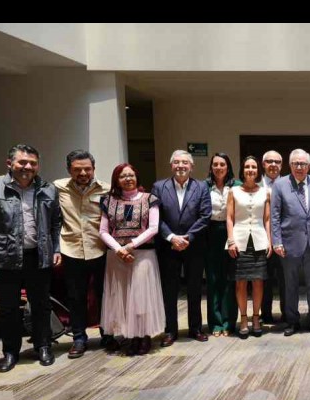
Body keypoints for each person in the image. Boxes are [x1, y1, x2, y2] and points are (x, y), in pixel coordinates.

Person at [0, 144, 62, 372]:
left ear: (38, 166)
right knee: (8, 309)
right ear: (9, 163)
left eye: (33, 163)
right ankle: (10, 352)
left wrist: (56, 249)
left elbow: (56, 222)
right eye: (22, 162)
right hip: (5, 258)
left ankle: (43, 346)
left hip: (38, 256)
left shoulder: (48, 189)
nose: (27, 167)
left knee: (41, 305)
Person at [99, 163, 164, 356]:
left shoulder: (150, 199)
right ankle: (131, 336)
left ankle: (144, 335)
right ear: (116, 180)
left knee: (141, 297)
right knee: (123, 298)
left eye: (131, 175)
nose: (128, 179)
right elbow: (103, 231)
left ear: (137, 177)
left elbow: (153, 228)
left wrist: (131, 245)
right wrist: (119, 249)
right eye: (123, 176)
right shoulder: (108, 201)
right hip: (117, 256)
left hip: (142, 254)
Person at [54, 149, 113, 357]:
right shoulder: (58, 188)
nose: (83, 173)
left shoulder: (106, 189)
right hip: (71, 250)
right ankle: (79, 338)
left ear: (93, 169)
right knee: (75, 297)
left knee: (104, 295)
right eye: (77, 169)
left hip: (100, 250)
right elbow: (53, 220)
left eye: (87, 169)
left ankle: (108, 334)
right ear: (69, 170)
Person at [152, 150, 212, 346]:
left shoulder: (201, 187)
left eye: (185, 162)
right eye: (176, 162)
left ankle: (195, 328)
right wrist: (171, 237)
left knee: (195, 289)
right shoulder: (159, 187)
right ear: (171, 166)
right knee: (169, 291)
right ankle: (170, 331)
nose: (181, 166)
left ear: (191, 166)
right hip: (168, 247)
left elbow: (205, 216)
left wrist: (187, 237)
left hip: (193, 246)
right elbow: (155, 217)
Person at [270, 149, 310, 335]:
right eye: (295, 164)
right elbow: (275, 216)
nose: (299, 167)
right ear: (290, 165)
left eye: (303, 164)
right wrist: (277, 241)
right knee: (290, 285)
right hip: (289, 243)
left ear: (309, 166)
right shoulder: (280, 185)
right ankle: (292, 321)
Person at [227, 156, 272, 339]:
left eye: (253, 167)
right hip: (240, 241)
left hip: (259, 240)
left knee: (258, 281)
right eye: (247, 167)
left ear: (258, 170)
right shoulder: (234, 191)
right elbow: (229, 217)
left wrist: (269, 241)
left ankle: (256, 318)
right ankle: (244, 319)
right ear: (242, 170)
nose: (250, 170)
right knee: (241, 282)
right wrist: (231, 240)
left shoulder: (266, 192)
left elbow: (267, 219)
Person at [205, 153, 240, 337]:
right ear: (211, 167)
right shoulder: (204, 187)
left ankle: (229, 322)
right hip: (210, 234)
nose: (219, 167)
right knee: (212, 280)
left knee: (229, 279)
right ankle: (215, 323)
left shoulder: (237, 186)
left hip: (231, 234)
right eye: (215, 164)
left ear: (228, 167)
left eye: (222, 164)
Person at [260, 150, 286, 324]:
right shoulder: (256, 184)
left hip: (285, 240)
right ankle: (266, 314)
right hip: (262, 239)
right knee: (265, 279)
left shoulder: (288, 184)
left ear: (281, 165)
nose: (273, 165)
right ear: (263, 164)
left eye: (277, 162)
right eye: (270, 161)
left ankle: (287, 313)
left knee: (286, 280)